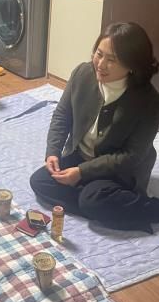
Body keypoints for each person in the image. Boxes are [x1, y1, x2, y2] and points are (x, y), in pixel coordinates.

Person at [30, 22, 159, 233]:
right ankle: (104, 205)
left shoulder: (149, 101)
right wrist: (53, 152)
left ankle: (149, 209)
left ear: (132, 65)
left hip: (118, 171)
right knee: (40, 181)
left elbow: (131, 156)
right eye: (99, 54)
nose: (101, 64)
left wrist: (82, 172)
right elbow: (62, 116)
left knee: (92, 199)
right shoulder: (82, 74)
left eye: (112, 60)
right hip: (79, 157)